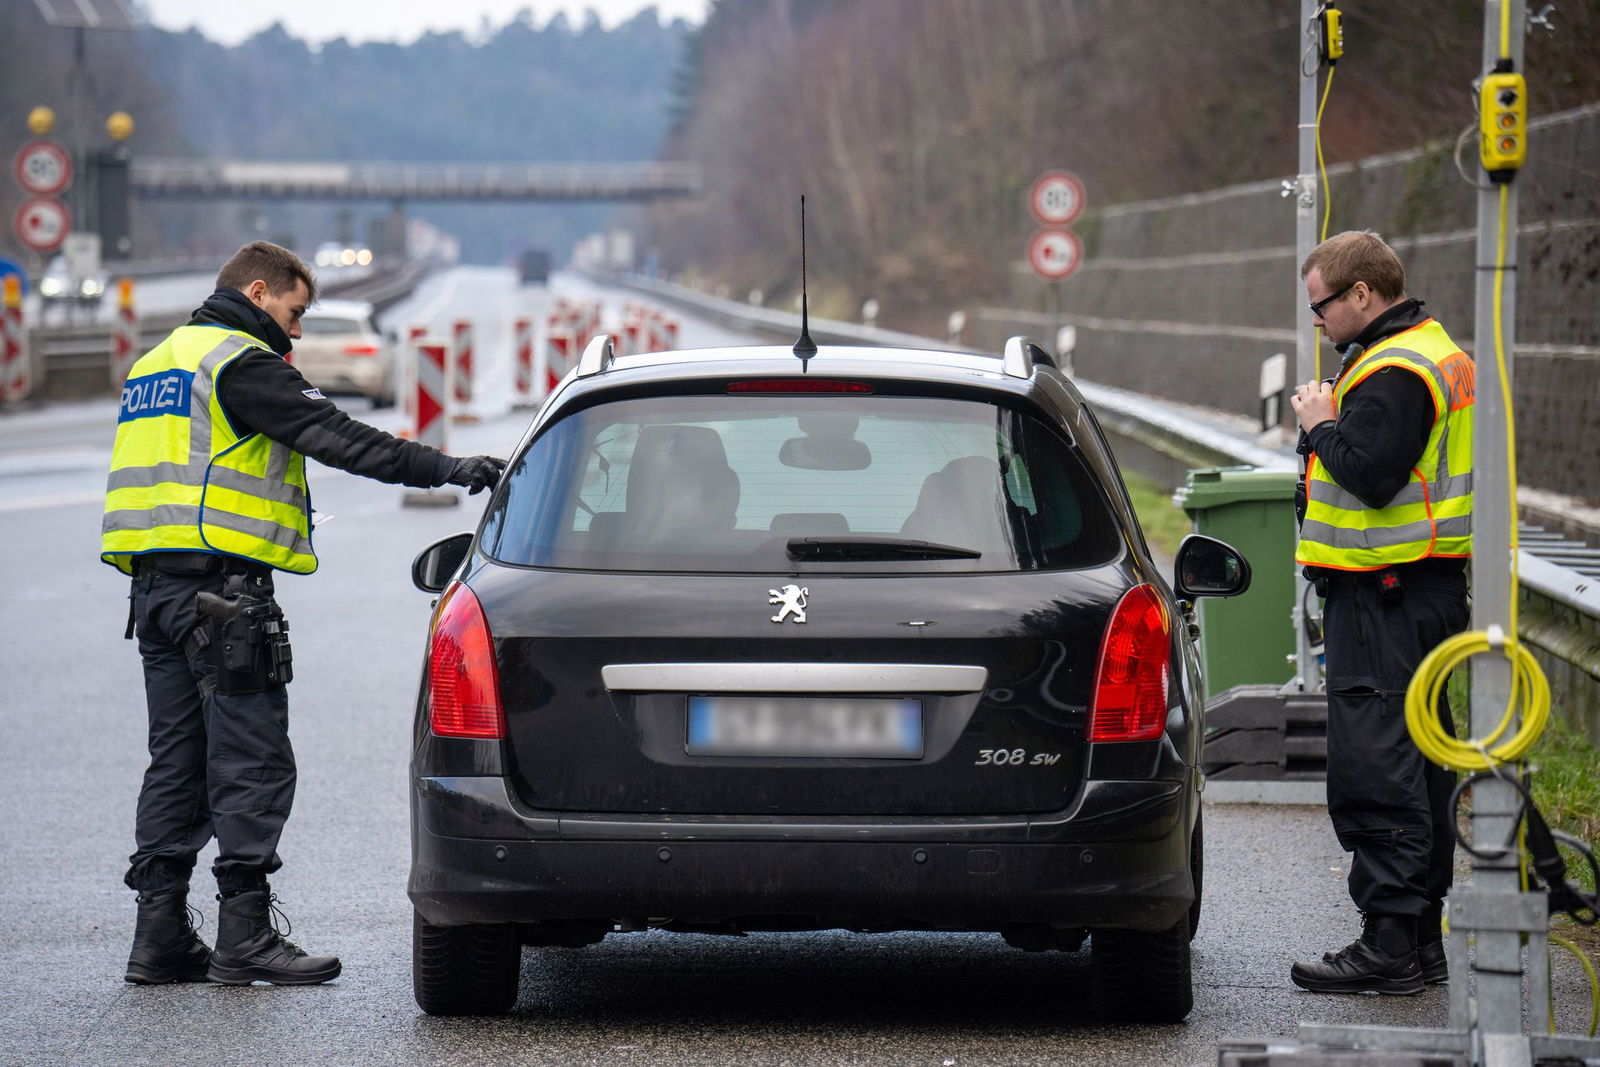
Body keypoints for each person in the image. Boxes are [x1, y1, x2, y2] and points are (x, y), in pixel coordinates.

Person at [103, 241, 506, 986]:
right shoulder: (241, 362)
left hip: (154, 594)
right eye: (294, 313)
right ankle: (245, 934)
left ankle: (157, 934)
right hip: (221, 597)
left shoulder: (159, 360)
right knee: (252, 760)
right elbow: (341, 439)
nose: (295, 332)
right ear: (259, 292)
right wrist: (451, 468)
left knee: (177, 762)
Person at [1287, 230, 1475, 995]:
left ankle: (1390, 939)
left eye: (1321, 306)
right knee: (1420, 758)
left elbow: (1369, 474)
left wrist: (1318, 425)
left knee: (1378, 764)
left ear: (1362, 295)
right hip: (1417, 592)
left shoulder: (1395, 370)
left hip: (1386, 597)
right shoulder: (1428, 352)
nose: (1318, 322)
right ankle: (1420, 940)